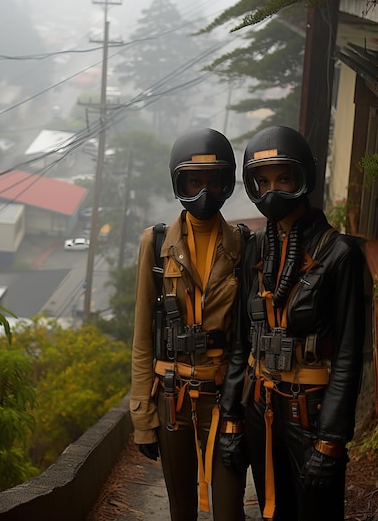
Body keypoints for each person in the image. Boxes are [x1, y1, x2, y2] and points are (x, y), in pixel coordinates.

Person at [218, 125, 365, 521]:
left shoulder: (340, 255)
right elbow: (240, 343)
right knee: (271, 511)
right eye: (262, 181)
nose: (272, 191)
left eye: (284, 178)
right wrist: (231, 418)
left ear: (305, 178)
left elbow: (349, 357)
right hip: (260, 407)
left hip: (311, 414)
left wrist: (331, 440)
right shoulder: (254, 249)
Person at [130, 127, 247, 521]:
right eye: (193, 181)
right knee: (182, 511)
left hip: (225, 397)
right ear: (178, 182)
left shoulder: (243, 245)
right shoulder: (156, 242)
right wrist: (143, 419)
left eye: (214, 182)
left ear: (228, 182)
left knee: (229, 510)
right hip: (171, 396)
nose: (204, 193)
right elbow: (142, 337)